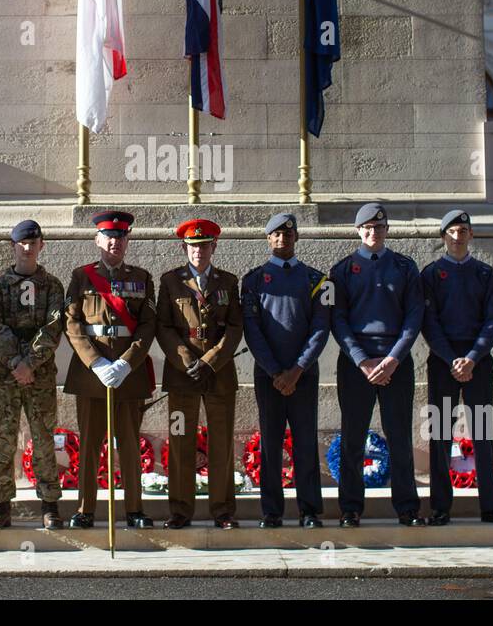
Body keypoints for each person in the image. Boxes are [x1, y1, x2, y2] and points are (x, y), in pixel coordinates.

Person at [328, 202, 425, 528]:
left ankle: (407, 507)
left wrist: (392, 359)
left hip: (395, 363)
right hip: (357, 365)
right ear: (358, 231)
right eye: (367, 228)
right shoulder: (342, 271)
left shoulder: (404, 267)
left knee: (399, 439)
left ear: (387, 231)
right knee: (353, 439)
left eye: (379, 227)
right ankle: (351, 508)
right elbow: (337, 320)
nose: (373, 232)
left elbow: (414, 317)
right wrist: (361, 360)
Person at [421, 210, 493, 525]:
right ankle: (440, 507)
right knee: (440, 436)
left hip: (477, 363)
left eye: (463, 230)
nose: (458, 236)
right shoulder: (431, 274)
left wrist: (472, 358)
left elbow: (492, 321)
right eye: (452, 231)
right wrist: (452, 359)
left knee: (482, 435)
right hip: (442, 362)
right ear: (443, 237)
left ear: (472, 235)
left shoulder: (485, 274)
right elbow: (429, 322)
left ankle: (491, 506)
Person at [63, 210, 157, 529]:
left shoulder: (142, 277)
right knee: (89, 444)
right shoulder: (81, 276)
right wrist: (97, 362)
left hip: (127, 373)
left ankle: (134, 509)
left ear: (127, 240)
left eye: (120, 237)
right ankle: (85, 509)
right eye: (108, 237)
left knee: (130, 443)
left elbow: (147, 326)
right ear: (97, 240)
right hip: (92, 373)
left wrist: (126, 363)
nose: (114, 242)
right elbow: (72, 323)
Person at [240, 212, 329, 528]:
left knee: (305, 443)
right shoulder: (253, 280)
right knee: (270, 445)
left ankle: (309, 511)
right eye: (276, 235)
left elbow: (320, 329)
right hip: (269, 377)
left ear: (296, 238)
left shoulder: (316, 279)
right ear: (268, 239)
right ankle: (272, 511)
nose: (282, 239)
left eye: (288, 234)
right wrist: (276, 371)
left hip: (303, 376)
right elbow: (252, 330)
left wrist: (297, 369)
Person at [156, 218, 245, 529]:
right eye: (193, 246)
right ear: (185, 248)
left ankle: (223, 511)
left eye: (204, 246)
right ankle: (180, 511)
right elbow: (164, 327)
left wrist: (209, 361)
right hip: (182, 378)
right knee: (180, 441)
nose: (199, 251)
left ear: (214, 247)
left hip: (218, 376)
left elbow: (235, 327)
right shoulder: (170, 282)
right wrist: (185, 360)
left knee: (221, 443)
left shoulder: (229, 282)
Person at [0, 219, 66, 529]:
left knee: (44, 438)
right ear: (13, 246)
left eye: (34, 243)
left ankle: (49, 503)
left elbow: (53, 328)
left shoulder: (52, 286)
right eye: (22, 243)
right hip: (7, 375)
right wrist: (15, 363)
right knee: (5, 438)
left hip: (40, 374)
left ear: (41, 246)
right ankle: (1, 504)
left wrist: (30, 363)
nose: (28, 248)